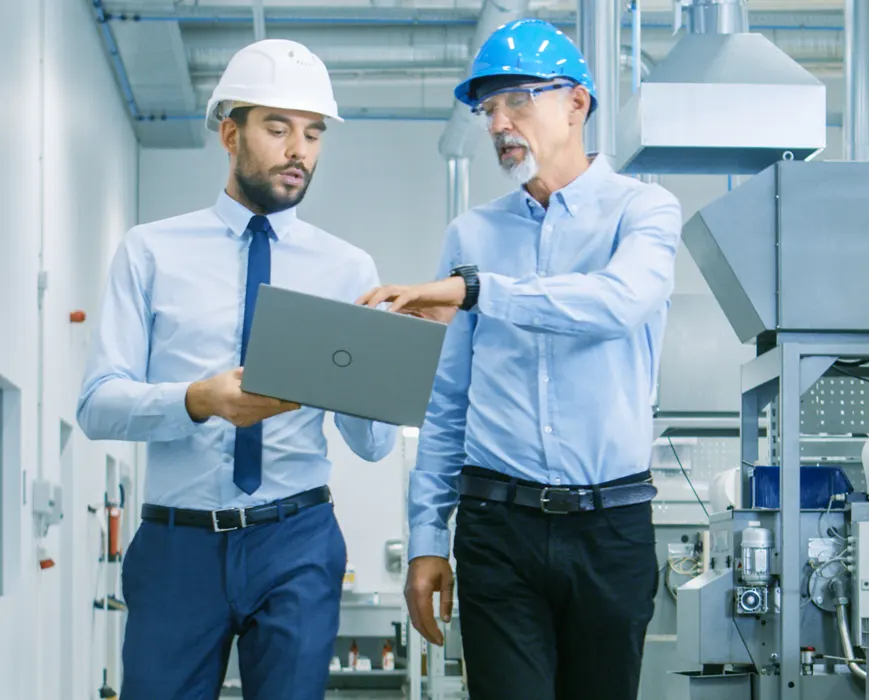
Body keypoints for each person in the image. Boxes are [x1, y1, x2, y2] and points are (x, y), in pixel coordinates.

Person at [358, 18, 682, 700]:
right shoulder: (471, 233)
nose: (499, 122)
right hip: (496, 527)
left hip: (612, 527)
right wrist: (425, 538)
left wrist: (477, 290)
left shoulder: (644, 212)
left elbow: (617, 303)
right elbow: (448, 400)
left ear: (576, 104)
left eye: (518, 100)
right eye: (488, 108)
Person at [77, 38, 396, 700]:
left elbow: (372, 445)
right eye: (277, 128)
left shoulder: (347, 269)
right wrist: (198, 399)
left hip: (298, 540)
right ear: (230, 132)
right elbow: (98, 404)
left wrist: (385, 366)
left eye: (312, 133)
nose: (298, 150)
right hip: (177, 546)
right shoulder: (150, 252)